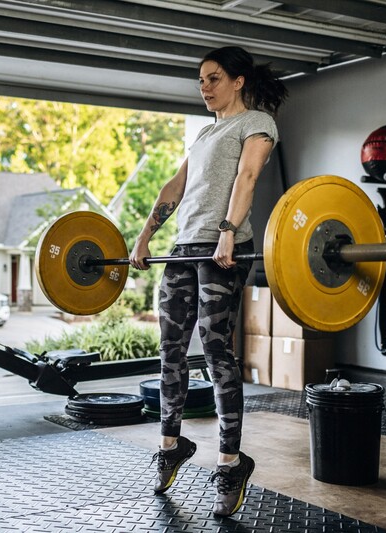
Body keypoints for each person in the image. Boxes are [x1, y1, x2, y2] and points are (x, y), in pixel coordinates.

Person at [129, 46, 287, 517]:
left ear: (238, 82)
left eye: (214, 78)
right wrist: (144, 236)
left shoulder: (256, 123)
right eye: (200, 80)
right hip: (183, 248)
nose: (204, 87)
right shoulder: (203, 133)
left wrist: (228, 232)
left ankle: (229, 462)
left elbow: (248, 175)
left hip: (223, 251)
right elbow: (175, 188)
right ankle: (170, 445)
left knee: (216, 350)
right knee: (170, 349)